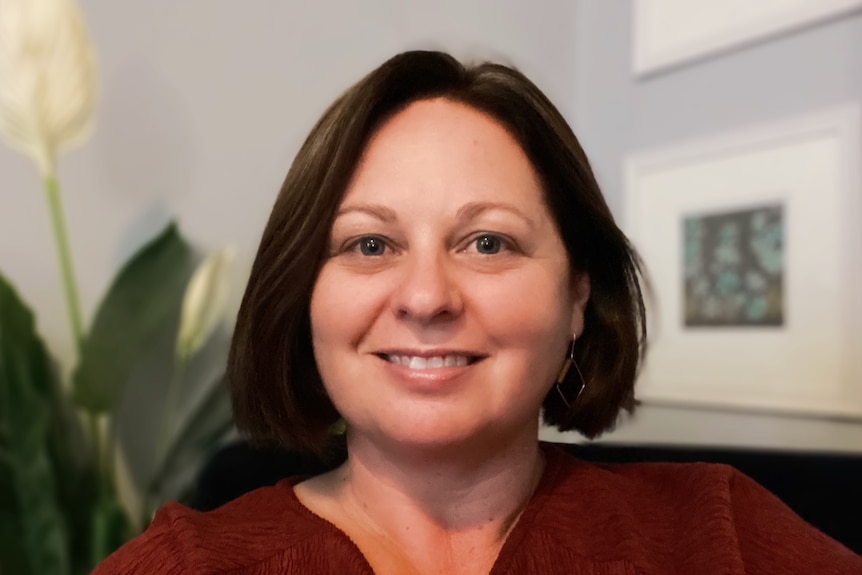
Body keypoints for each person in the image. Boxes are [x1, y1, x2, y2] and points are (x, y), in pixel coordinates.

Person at [94, 50, 861, 574]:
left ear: (577, 297)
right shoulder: (188, 564)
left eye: (488, 241)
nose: (427, 297)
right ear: (303, 296)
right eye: (369, 244)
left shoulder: (719, 534)